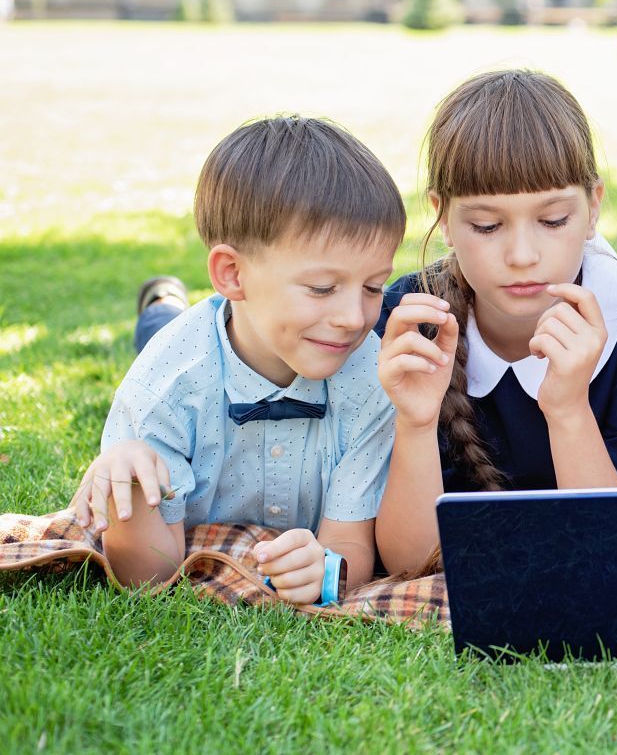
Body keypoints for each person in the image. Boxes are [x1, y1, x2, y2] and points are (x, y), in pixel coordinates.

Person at [69, 116, 407, 605]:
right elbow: (146, 577)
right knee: (158, 336)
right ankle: (162, 307)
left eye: (374, 287)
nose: (354, 317)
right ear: (231, 274)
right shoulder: (165, 381)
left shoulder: (371, 376)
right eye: (322, 288)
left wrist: (327, 570)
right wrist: (134, 495)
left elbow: (349, 543)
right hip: (185, 350)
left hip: (234, 331)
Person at [373, 70, 617, 577]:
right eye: (487, 226)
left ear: (594, 207)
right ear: (442, 217)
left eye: (554, 220)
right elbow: (410, 564)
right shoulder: (408, 321)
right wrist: (416, 422)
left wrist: (566, 408)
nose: (521, 256)